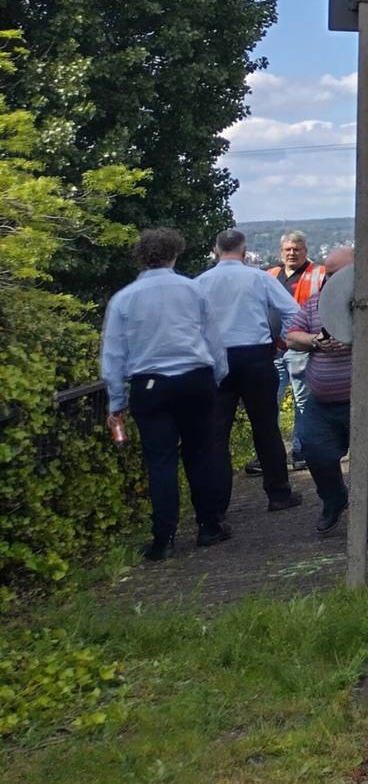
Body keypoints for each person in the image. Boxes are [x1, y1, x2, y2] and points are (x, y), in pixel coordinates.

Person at [101, 228, 230, 561]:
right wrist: (215, 377)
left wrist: (117, 402)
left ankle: (164, 538)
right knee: (201, 454)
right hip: (195, 379)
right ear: (175, 254)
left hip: (149, 384)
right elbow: (214, 341)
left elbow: (113, 355)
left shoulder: (123, 299)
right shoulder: (193, 290)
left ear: (141, 258)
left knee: (160, 461)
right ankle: (209, 525)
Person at [283, 246, 368, 542]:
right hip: (322, 402)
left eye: (336, 273)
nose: (328, 278)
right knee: (314, 451)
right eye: (327, 273)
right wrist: (314, 341)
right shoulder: (315, 303)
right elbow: (292, 336)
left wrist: (364, 332)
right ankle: (334, 499)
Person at [195, 228, 302, 516]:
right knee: (265, 427)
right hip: (256, 356)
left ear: (216, 250)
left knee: (217, 433)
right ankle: (278, 493)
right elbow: (292, 311)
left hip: (216, 358)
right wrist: (284, 341)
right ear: (244, 252)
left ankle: (217, 507)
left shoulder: (200, 282)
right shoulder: (259, 277)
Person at [268, 232, 327, 472]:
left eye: (297, 249)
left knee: (303, 402)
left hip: (303, 347)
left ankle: (300, 450)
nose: (292, 253)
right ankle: (269, 453)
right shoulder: (270, 275)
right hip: (274, 350)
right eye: (288, 249)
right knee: (271, 401)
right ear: (281, 252)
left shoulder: (319, 274)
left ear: (305, 250)